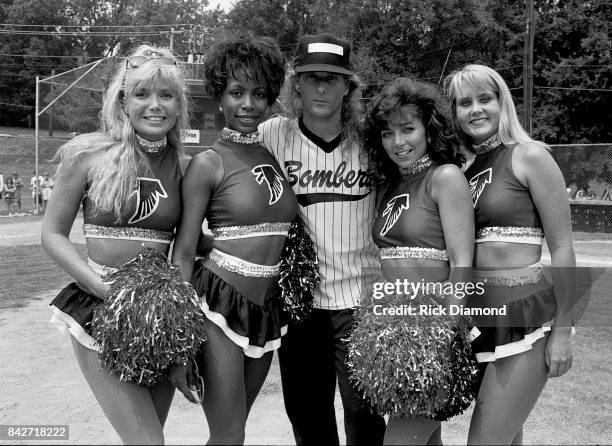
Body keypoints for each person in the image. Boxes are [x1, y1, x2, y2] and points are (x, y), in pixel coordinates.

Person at [42, 44, 190, 444]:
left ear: (179, 104)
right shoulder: (88, 155)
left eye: (166, 95)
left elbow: (188, 244)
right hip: (101, 308)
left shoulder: (186, 167)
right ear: (122, 100)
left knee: (149, 436)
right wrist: (98, 286)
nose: (154, 105)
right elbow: (52, 233)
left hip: (161, 317)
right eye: (142, 94)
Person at [259, 33, 386, 445]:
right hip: (300, 304)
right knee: (308, 414)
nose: (321, 87)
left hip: (361, 299)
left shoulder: (373, 140)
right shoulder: (271, 135)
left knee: (365, 413)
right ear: (296, 82)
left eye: (332, 78)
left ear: (348, 85)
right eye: (311, 77)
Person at [170, 35, 297, 445]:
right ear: (219, 96)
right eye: (236, 92)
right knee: (228, 436)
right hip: (217, 306)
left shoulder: (271, 153)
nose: (248, 104)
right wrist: (179, 334)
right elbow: (185, 249)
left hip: (265, 309)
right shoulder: (207, 162)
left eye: (259, 94)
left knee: (235, 431)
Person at [446, 64, 574, 445]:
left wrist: (563, 331)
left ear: (503, 102)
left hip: (525, 317)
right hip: (478, 317)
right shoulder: (461, 170)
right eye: (464, 103)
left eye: (485, 99)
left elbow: (563, 247)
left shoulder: (530, 156)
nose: (475, 110)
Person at [360, 77, 474, 445]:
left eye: (408, 129)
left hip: (432, 332)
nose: (398, 142)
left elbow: (461, 262)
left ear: (430, 129)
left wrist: (444, 334)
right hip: (395, 332)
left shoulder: (445, 178)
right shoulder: (390, 184)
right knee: (427, 440)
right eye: (388, 133)